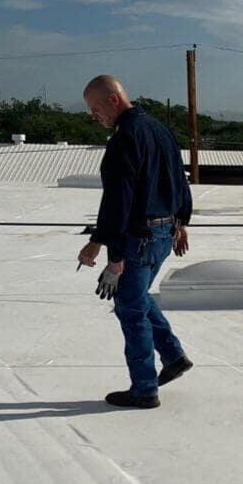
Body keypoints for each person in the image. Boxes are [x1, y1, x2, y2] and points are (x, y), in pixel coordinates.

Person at [77, 74, 193, 409]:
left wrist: (108, 252)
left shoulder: (124, 139)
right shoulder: (159, 129)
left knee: (130, 309)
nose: (93, 116)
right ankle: (173, 356)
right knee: (137, 296)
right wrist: (181, 222)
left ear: (113, 100)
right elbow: (179, 181)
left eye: (95, 108)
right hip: (163, 234)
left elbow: (118, 202)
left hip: (138, 239)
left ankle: (144, 389)